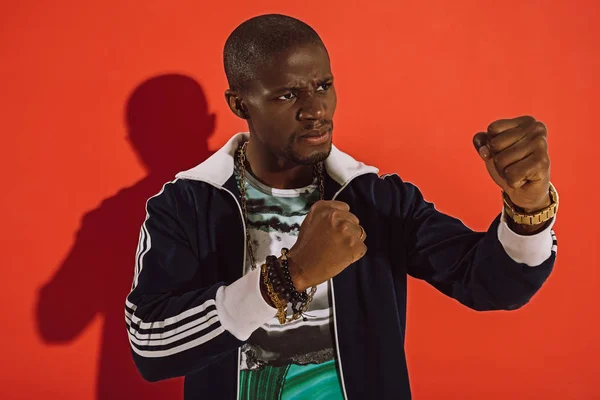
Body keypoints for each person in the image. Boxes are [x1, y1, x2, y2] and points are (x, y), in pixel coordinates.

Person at [124, 14, 558, 400]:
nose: (316, 110)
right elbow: (149, 346)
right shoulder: (186, 204)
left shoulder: (374, 198)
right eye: (287, 95)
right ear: (241, 104)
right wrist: (289, 277)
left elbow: (491, 284)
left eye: (323, 86)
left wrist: (528, 205)